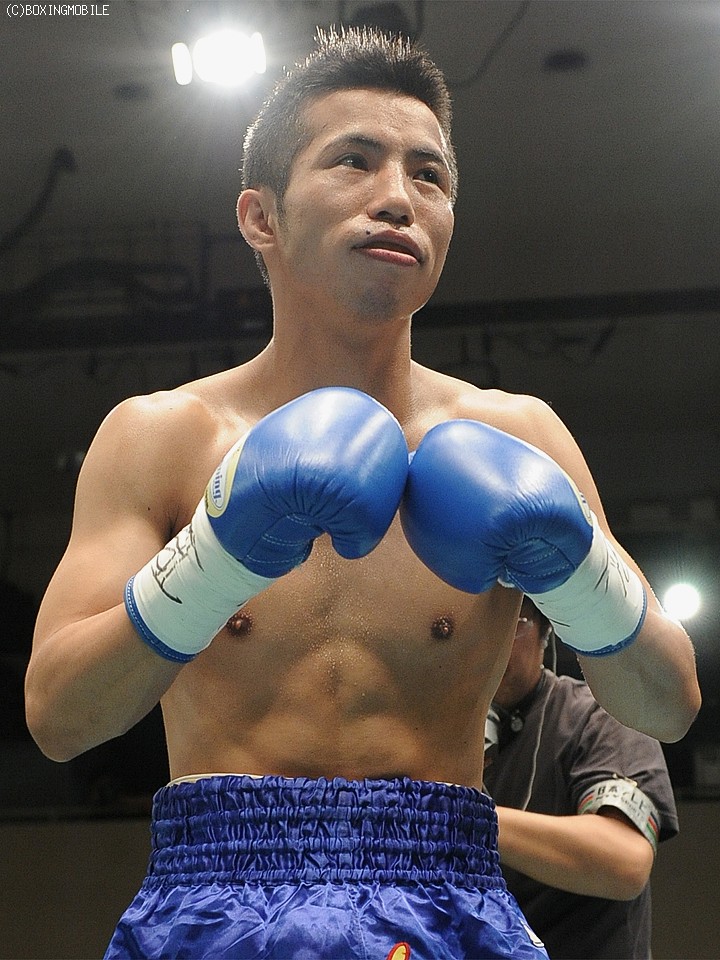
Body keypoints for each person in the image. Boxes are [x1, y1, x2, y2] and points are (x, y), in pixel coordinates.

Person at [24, 26, 699, 960]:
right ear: (261, 216)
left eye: (429, 176)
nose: (397, 198)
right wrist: (216, 558)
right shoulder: (164, 437)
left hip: (451, 896)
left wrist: (578, 572)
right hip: (217, 898)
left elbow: (668, 704)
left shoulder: (520, 435)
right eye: (355, 160)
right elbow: (58, 718)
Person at [483, 598, 678, 959]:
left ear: (545, 631)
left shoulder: (598, 716)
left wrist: (467, 820)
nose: (487, 643)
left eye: (511, 625)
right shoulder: (436, 740)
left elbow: (625, 861)